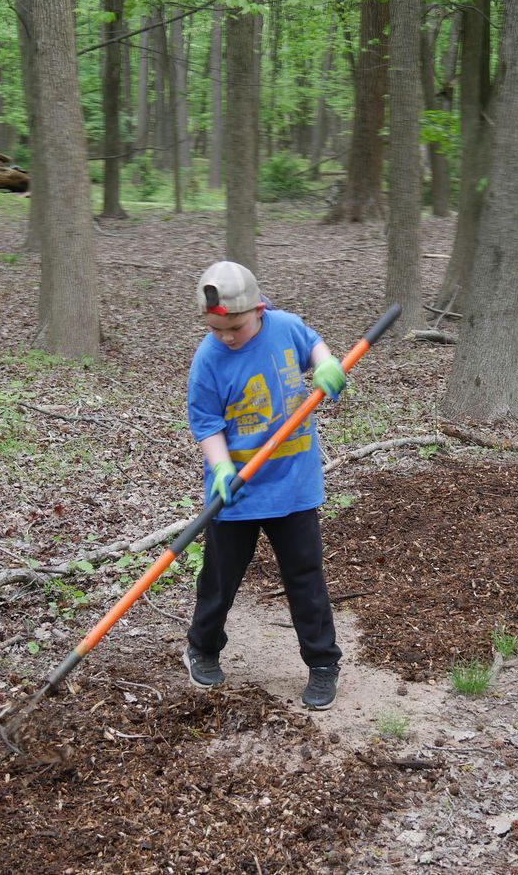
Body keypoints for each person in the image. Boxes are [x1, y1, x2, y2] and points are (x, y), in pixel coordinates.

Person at [183, 260, 348, 710]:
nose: (226, 337)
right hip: (236, 491)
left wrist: (327, 362)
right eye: (217, 330)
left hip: (294, 485)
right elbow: (206, 423)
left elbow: (313, 345)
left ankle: (322, 664)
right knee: (220, 579)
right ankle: (202, 646)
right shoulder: (209, 359)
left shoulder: (286, 327)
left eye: (234, 327)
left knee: (305, 577)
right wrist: (220, 469)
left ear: (258, 309)